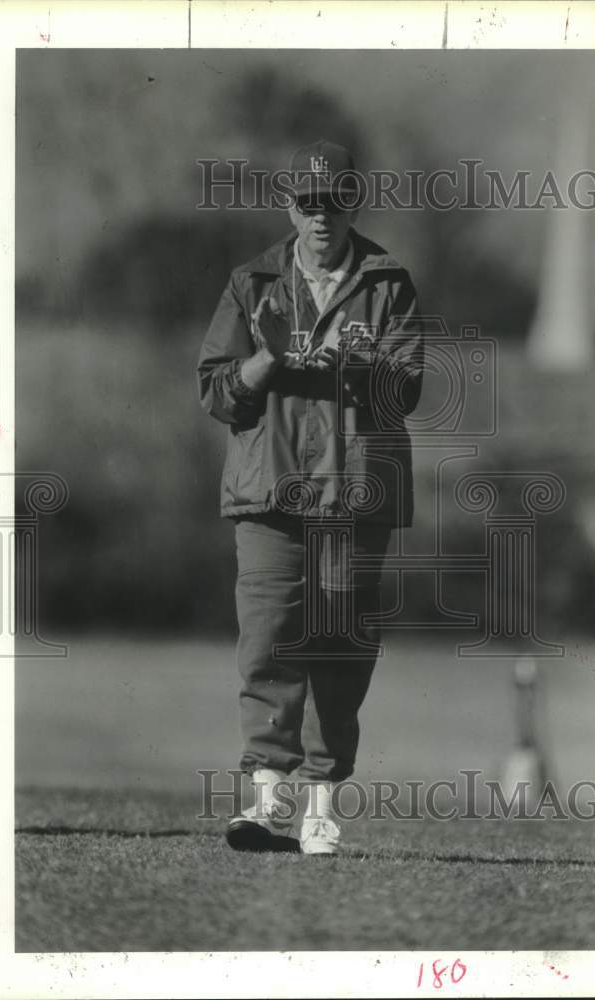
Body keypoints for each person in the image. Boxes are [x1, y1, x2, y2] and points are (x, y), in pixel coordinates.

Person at [197, 139, 424, 855]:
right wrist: (266, 361)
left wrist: (353, 366)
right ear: (289, 205)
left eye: (336, 201)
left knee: (341, 647)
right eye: (308, 202)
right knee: (265, 643)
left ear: (354, 202)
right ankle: (267, 803)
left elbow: (408, 387)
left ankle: (322, 808)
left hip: (357, 490)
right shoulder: (253, 281)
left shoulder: (390, 283)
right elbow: (214, 390)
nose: (322, 216)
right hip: (269, 491)